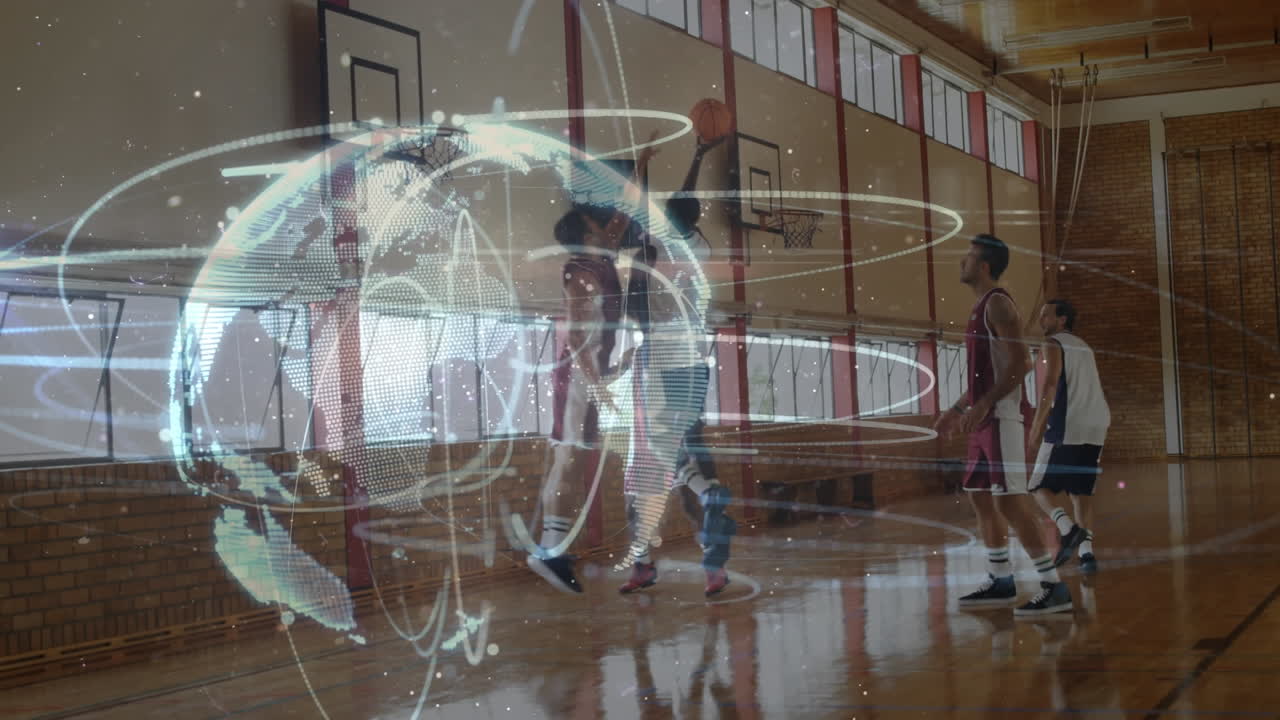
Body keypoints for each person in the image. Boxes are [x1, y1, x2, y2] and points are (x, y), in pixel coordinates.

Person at [526, 146, 657, 594]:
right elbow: (579, 339)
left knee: (572, 460)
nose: (608, 228)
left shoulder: (600, 258)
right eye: (598, 226)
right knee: (568, 459)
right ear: (585, 236)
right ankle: (549, 553)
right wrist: (597, 385)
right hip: (579, 378)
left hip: (589, 375)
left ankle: (552, 547)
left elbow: (622, 214)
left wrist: (642, 167)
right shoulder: (582, 271)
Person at [616, 135, 736, 598]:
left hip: (663, 359)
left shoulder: (655, 250)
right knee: (679, 452)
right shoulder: (695, 252)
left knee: (649, 461)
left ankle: (698, 498)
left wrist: (641, 167)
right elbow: (682, 206)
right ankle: (709, 564)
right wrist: (700, 156)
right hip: (692, 362)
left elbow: (640, 207)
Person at [934, 234, 1073, 616]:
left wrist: (984, 405)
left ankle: (1053, 587)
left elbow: (1022, 364)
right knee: (980, 495)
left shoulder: (998, 304)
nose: (962, 262)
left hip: (1003, 419)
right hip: (985, 420)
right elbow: (986, 375)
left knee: (1011, 502)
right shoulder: (980, 307)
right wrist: (956, 408)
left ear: (983, 265)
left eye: (968, 257)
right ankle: (1001, 580)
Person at [1027, 299, 1110, 574]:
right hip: (1096, 423)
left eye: (1046, 315)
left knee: (1038, 487)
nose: (1041, 320)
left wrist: (1036, 427)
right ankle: (1087, 555)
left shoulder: (1053, 343)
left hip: (1068, 424)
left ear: (1062, 319)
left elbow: (1050, 384)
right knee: (1081, 493)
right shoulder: (1084, 346)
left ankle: (1068, 529)